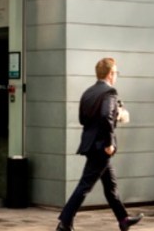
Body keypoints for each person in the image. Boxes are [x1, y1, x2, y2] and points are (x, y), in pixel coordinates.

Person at [56, 57, 142, 231]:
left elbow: (83, 119)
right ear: (110, 74)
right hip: (102, 146)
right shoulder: (110, 92)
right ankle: (64, 222)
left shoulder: (88, 92)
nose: (116, 75)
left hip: (90, 144)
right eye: (116, 72)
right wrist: (109, 142)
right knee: (85, 185)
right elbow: (105, 116)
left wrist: (114, 114)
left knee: (110, 186)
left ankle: (123, 219)